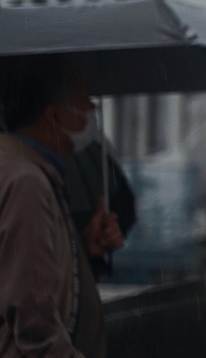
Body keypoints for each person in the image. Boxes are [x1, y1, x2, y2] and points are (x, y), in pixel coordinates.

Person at [0, 56, 124, 358]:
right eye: (82, 100)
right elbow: (34, 325)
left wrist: (85, 251)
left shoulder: (22, 169)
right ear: (53, 116)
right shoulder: (27, 182)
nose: (92, 109)